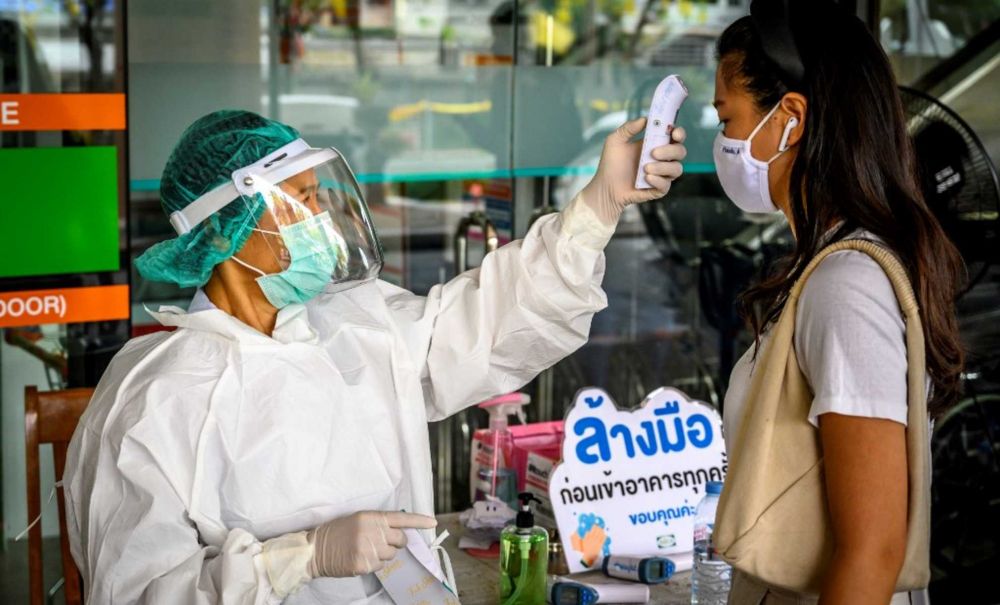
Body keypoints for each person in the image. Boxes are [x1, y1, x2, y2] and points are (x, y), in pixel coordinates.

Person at [64, 109, 686, 604]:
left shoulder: (354, 322)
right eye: (298, 203)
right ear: (223, 233)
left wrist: (596, 209)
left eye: (317, 197)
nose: (321, 223)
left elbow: (486, 325)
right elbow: (138, 592)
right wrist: (300, 557)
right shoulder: (157, 400)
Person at [710, 1, 964, 604]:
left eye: (727, 119)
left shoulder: (846, 284)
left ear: (790, 118)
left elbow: (872, 551)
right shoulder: (823, 267)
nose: (722, 140)